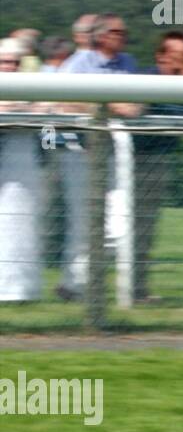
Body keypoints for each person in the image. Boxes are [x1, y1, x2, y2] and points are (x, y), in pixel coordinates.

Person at [54, 15, 140, 299]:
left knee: (118, 224)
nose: (123, 37)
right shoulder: (79, 63)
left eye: (125, 32)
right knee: (83, 221)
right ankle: (75, 285)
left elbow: (136, 107)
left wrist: (105, 105)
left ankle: (83, 284)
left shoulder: (128, 63)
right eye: (117, 31)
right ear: (100, 36)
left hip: (115, 153)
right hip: (81, 154)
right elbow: (62, 101)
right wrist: (110, 105)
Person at [132, 31, 183, 302]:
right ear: (160, 55)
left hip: (159, 163)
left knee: (146, 229)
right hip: (135, 162)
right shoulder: (146, 78)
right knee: (128, 228)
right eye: (177, 55)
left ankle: (138, 289)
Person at [0, 39, 48, 301]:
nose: (10, 67)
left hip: (24, 164)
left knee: (19, 225)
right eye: (5, 62)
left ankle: (19, 289)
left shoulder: (30, 88)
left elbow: (48, 122)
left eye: (14, 62)